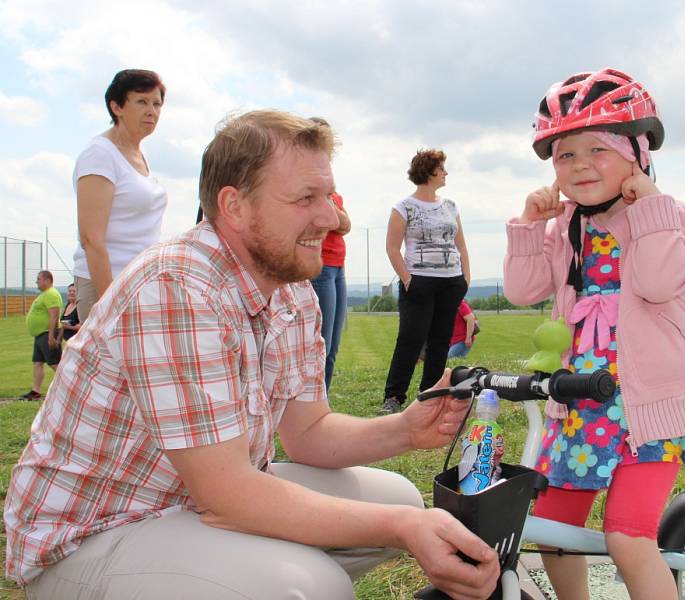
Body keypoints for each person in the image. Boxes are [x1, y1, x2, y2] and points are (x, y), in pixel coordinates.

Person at [4, 111, 499, 600]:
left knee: (397, 498)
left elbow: (306, 434)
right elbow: (228, 498)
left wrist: (407, 429)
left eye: (328, 195)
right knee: (311, 582)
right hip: (94, 533)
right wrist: (404, 528)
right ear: (235, 206)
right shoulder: (177, 286)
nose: (332, 218)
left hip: (188, 505)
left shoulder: (291, 289)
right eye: (306, 198)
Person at [503, 68, 685, 600]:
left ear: (637, 153)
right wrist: (532, 226)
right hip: (581, 405)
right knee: (554, 533)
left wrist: (646, 207)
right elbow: (521, 287)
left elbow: (655, 281)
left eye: (595, 150)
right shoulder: (568, 227)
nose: (578, 166)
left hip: (648, 411)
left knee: (628, 539)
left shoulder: (669, 220)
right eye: (565, 155)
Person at [72, 69, 168, 322]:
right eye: (142, 101)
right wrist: (109, 305)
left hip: (140, 283)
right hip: (107, 286)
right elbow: (91, 239)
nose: (152, 111)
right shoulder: (100, 155)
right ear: (116, 106)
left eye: (157, 103)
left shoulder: (140, 153)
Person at [381, 149, 470, 414]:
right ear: (430, 172)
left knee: (441, 339)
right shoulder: (404, 206)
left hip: (451, 281)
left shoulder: (450, 206)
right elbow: (392, 248)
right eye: (441, 168)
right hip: (419, 282)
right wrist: (408, 280)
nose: (445, 173)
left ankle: (431, 394)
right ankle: (394, 397)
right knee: (411, 338)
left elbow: (461, 246)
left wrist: (465, 278)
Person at [308, 117, 351, 392]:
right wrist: (328, 204)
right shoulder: (313, 185)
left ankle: (324, 398)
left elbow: (345, 225)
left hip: (338, 268)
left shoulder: (332, 192)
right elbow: (330, 222)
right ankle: (314, 402)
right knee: (320, 342)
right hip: (320, 268)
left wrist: (332, 210)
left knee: (333, 343)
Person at [20, 271, 63, 400]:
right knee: (38, 363)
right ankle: (36, 391)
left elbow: (54, 316)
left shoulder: (51, 294)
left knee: (54, 363)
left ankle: (71, 387)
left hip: (47, 334)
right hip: (40, 335)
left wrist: (51, 336)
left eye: (39, 279)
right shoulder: (44, 295)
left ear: (47, 280)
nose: (36, 281)